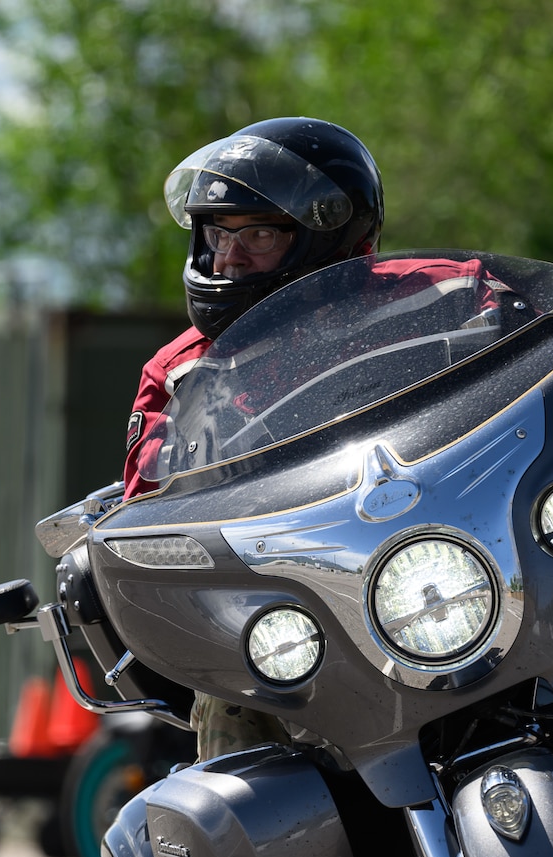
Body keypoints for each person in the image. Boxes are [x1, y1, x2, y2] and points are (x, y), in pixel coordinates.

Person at [121, 117, 389, 759]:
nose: (230, 257)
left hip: (444, 571)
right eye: (218, 233)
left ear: (334, 239)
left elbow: (535, 342)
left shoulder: (438, 296)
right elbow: (147, 522)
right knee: (233, 703)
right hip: (299, 615)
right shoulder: (183, 375)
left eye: (260, 234)